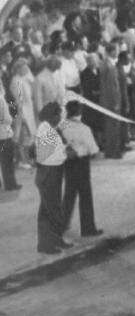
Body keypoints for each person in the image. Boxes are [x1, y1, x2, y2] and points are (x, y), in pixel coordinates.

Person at [58, 100, 102, 238]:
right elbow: (94, 149)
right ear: (80, 113)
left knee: (69, 195)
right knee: (85, 196)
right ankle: (88, 228)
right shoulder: (84, 128)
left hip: (68, 163)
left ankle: (61, 225)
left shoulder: (61, 126)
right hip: (82, 163)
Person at [33, 101, 70, 254]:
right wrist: (67, 150)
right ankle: (46, 244)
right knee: (52, 211)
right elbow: (52, 155)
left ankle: (54, 239)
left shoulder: (48, 127)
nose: (61, 118)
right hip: (49, 174)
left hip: (50, 174)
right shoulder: (45, 131)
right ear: (52, 116)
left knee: (46, 209)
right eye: (59, 115)